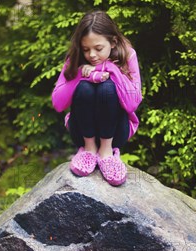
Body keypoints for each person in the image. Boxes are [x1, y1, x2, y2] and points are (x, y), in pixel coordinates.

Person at [52, 10, 142, 186]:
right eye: (86, 49)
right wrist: (80, 74)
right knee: (85, 88)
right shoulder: (76, 58)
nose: (92, 55)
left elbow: (132, 103)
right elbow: (58, 103)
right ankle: (89, 150)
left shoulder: (128, 54)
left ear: (113, 42)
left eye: (98, 49)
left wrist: (109, 68)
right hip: (82, 132)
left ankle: (106, 154)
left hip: (116, 132)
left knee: (107, 88)